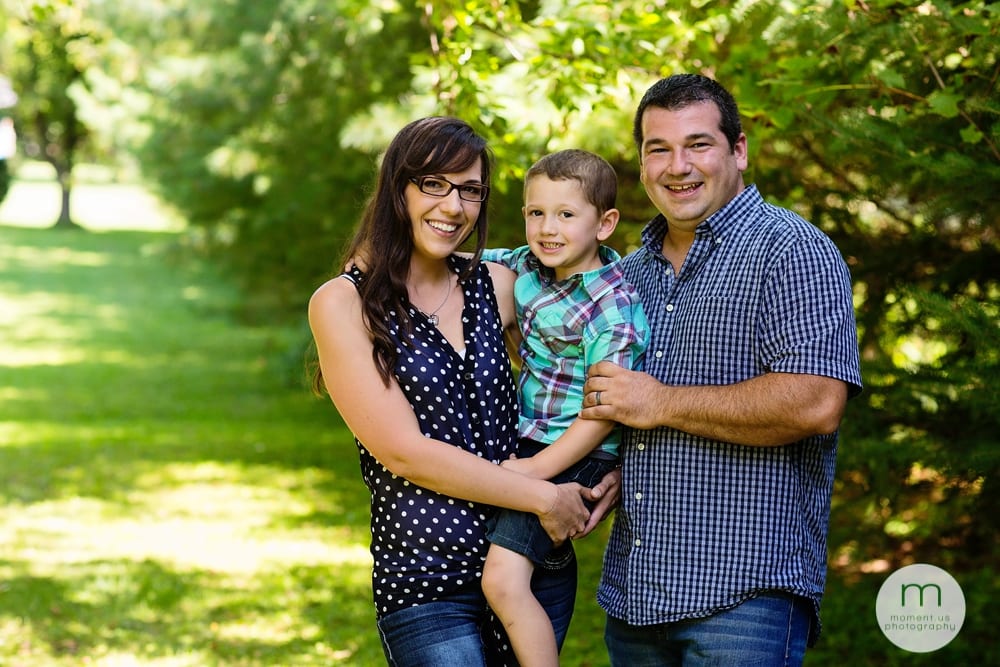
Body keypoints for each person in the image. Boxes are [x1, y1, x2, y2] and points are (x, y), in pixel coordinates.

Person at [579, 74, 863, 665]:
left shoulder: (791, 249)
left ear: (739, 150)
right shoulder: (626, 274)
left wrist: (660, 403)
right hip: (635, 599)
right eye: (659, 149)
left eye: (698, 145)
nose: (677, 166)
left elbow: (815, 403)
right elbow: (615, 401)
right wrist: (611, 465)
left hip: (746, 599)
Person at [308, 116, 613, 666]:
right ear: (397, 189)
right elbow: (405, 451)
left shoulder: (497, 284)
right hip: (429, 579)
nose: (453, 207)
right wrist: (547, 495)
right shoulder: (343, 303)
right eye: (433, 184)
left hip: (528, 562)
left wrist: (608, 469)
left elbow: (586, 360)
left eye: (470, 191)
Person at [478, 149, 649, 667]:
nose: (547, 228)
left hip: (577, 447)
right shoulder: (530, 265)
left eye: (566, 214)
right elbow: (477, 262)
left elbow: (603, 413)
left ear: (606, 223)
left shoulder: (612, 308)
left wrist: (536, 473)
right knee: (523, 567)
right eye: (536, 213)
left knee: (502, 580)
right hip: (533, 436)